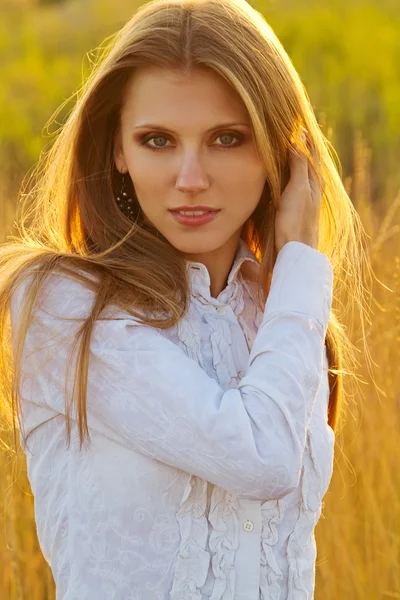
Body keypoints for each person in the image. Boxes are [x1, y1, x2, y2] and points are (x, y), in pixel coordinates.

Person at [0, 0, 372, 598]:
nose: (191, 178)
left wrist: (294, 284)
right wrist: (303, 262)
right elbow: (262, 459)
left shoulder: (280, 314)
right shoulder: (68, 310)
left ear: (283, 151)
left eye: (227, 138)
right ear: (117, 149)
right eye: (158, 140)